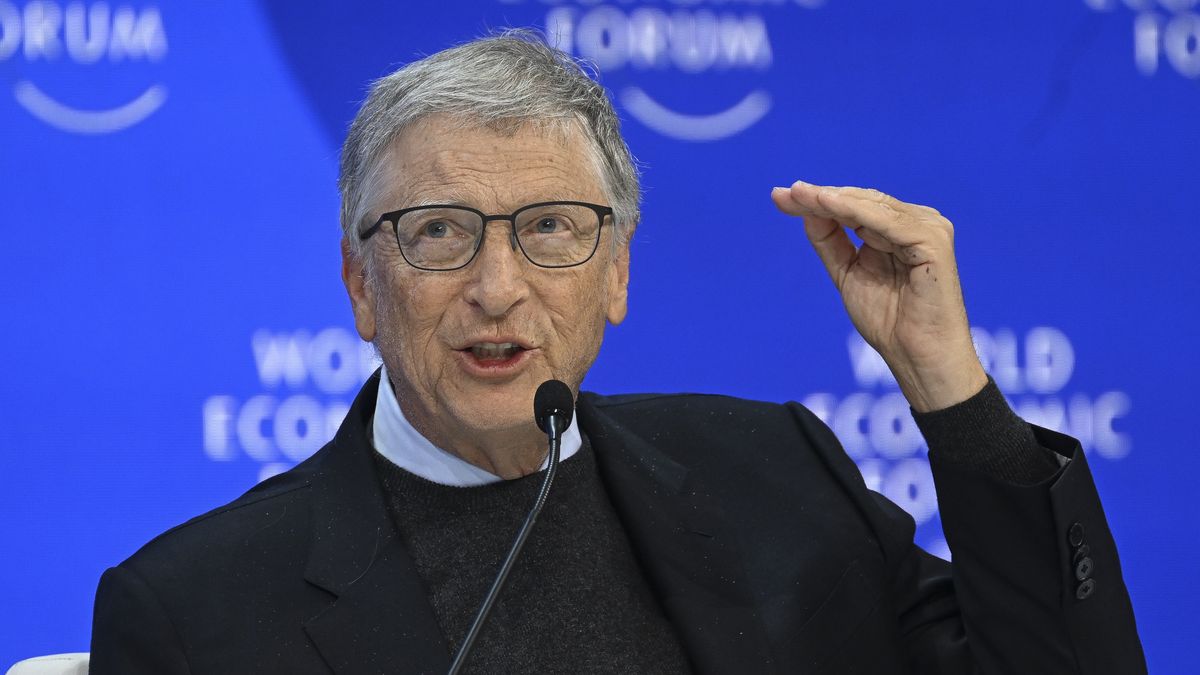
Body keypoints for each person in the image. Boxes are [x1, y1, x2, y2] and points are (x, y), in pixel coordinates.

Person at [89, 32, 1146, 674]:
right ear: (363, 287)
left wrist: (949, 393)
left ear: (619, 276)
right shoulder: (198, 612)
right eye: (439, 232)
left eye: (549, 228)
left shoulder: (776, 474)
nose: (497, 287)